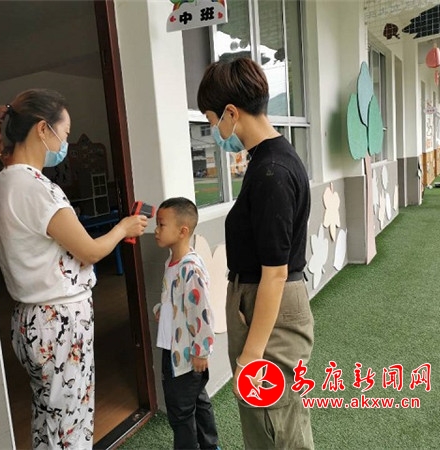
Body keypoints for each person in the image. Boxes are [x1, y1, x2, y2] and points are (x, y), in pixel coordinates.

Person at [0, 88, 148, 449]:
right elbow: (89, 251)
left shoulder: (5, 181)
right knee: (71, 421)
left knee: (50, 416)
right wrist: (123, 227)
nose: (66, 143)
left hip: (30, 318)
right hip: (58, 321)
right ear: (43, 129)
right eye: (65, 132)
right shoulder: (37, 188)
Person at [198, 58, 314, 449]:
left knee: (275, 426)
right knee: (273, 421)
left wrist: (251, 354)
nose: (215, 131)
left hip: (269, 306)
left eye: (212, 120)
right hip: (264, 302)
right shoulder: (268, 160)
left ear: (231, 113)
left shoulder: (271, 171)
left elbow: (275, 272)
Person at [152, 197, 219, 450]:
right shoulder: (172, 263)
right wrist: (162, 310)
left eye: (161, 225)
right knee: (196, 400)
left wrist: (201, 350)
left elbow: (201, 311)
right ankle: (210, 445)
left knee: (180, 412)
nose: (156, 230)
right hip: (173, 348)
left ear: (183, 231)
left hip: (186, 353)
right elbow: (175, 300)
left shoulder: (189, 269)